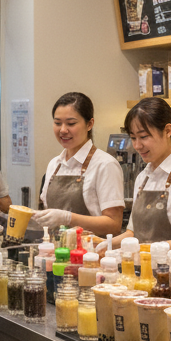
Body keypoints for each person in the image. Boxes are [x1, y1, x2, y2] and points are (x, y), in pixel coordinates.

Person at [100, 98, 171, 252]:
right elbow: (133, 233)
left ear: (167, 131)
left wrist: (142, 251)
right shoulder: (143, 177)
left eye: (144, 137)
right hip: (140, 266)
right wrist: (106, 244)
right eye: (133, 138)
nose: (137, 145)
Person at [31, 92, 126, 236]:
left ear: (89, 124)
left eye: (71, 123)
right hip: (56, 247)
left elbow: (113, 225)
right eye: (57, 123)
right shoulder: (54, 164)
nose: (63, 130)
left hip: (91, 249)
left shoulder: (105, 165)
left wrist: (68, 218)